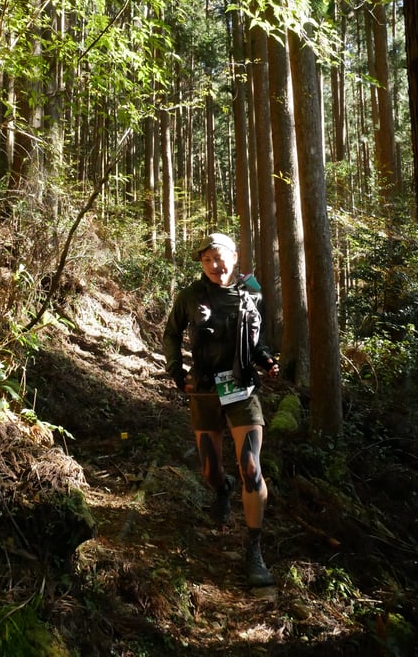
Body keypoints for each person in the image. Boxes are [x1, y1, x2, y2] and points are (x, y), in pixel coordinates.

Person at [163, 232, 279, 588]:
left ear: (235, 255)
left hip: (242, 391)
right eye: (208, 260)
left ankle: (254, 549)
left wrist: (266, 360)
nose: (216, 265)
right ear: (201, 263)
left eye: (221, 257)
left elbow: (255, 340)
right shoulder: (190, 297)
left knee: (251, 465)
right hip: (205, 390)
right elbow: (170, 334)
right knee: (211, 471)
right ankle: (222, 490)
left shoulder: (251, 294)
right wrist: (176, 372)